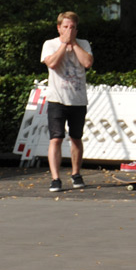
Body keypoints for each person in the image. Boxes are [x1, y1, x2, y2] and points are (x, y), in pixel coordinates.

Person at [41, 11, 94, 192]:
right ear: (59, 28)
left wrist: (74, 44)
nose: (69, 30)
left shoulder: (83, 44)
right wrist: (64, 44)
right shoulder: (50, 44)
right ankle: (55, 178)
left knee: (76, 138)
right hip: (57, 99)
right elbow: (52, 63)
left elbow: (87, 63)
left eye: (72, 27)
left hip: (77, 100)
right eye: (65, 27)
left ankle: (76, 173)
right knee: (56, 138)